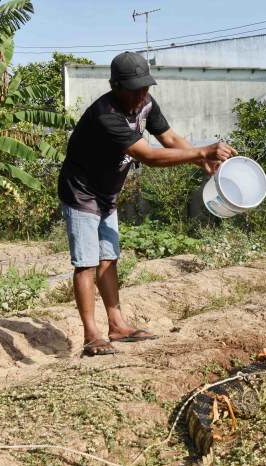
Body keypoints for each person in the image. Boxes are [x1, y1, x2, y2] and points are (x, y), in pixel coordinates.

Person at [58, 51, 237, 356]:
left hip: (107, 193)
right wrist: (202, 151)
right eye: (134, 89)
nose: (141, 94)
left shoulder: (146, 104)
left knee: (108, 257)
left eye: (146, 87)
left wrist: (202, 161)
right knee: (86, 263)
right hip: (81, 191)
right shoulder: (106, 115)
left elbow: (168, 139)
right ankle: (91, 335)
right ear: (115, 85)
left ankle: (117, 325)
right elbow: (150, 157)